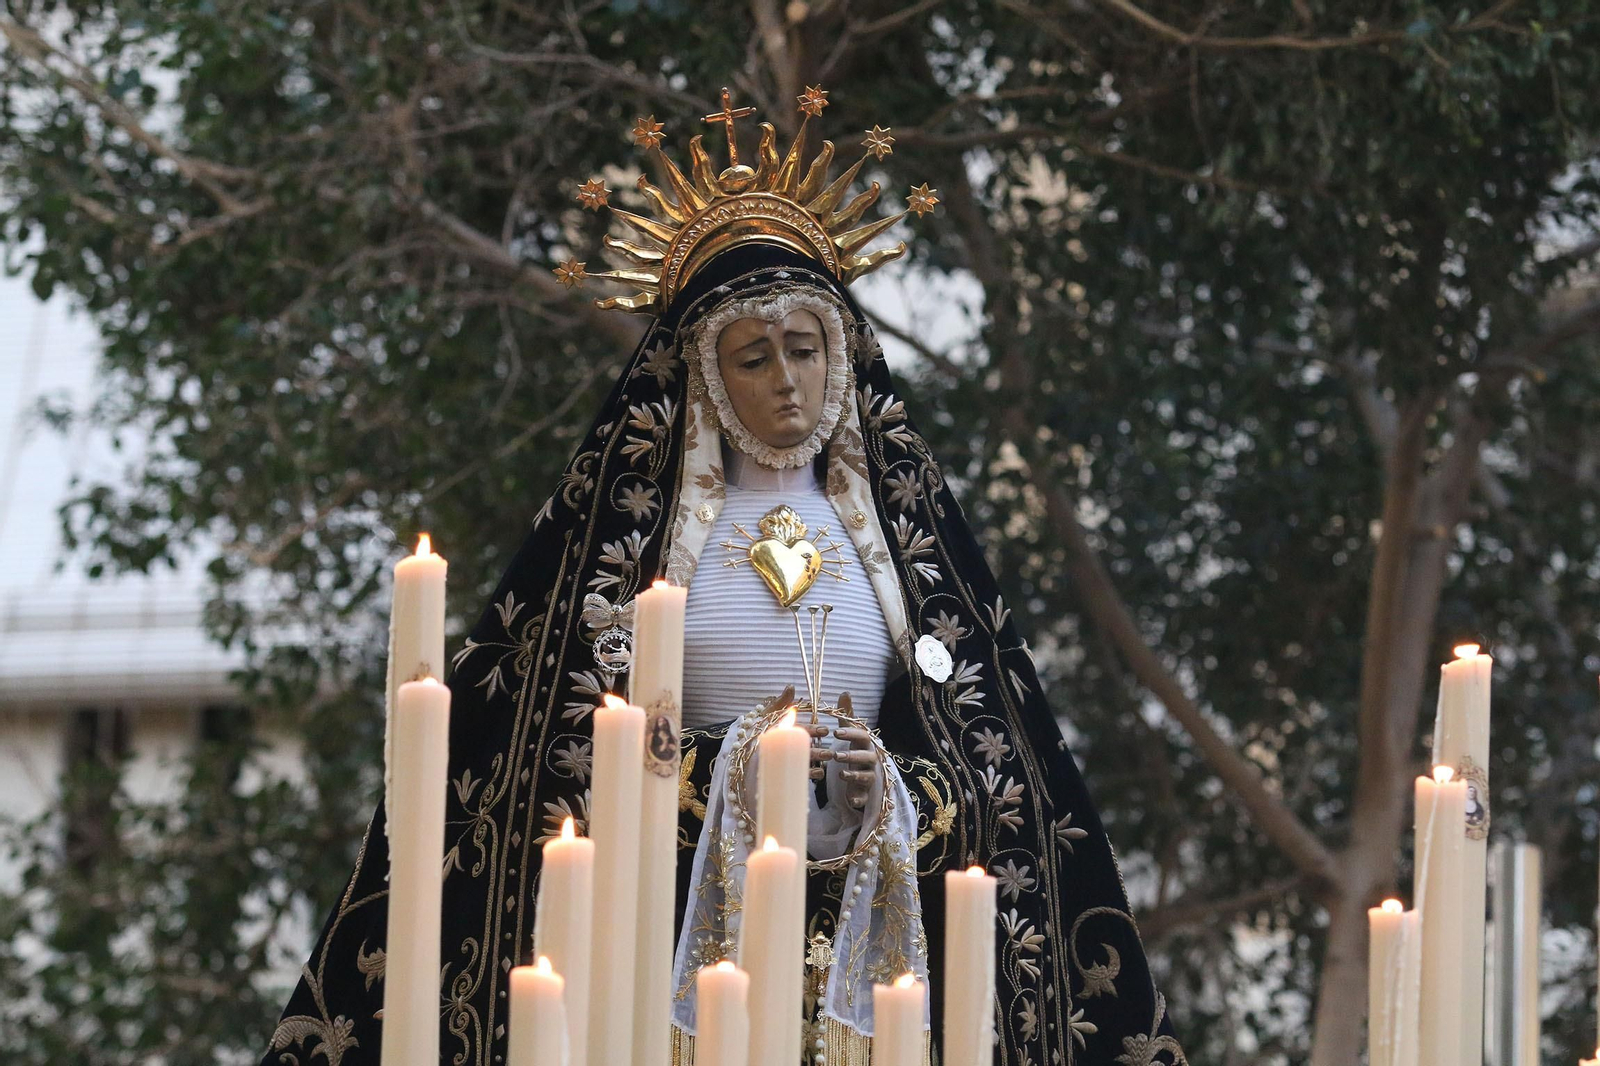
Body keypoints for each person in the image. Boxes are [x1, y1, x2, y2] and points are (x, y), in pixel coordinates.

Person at [265, 85, 1185, 1066]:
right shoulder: (636, 565)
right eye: (754, 356)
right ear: (706, 373)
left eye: (806, 348)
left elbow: (995, 781)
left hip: (871, 978)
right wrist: (729, 770)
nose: (787, 380)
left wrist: (893, 791)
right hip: (676, 959)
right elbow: (552, 772)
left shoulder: (905, 560)